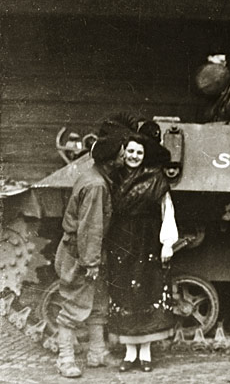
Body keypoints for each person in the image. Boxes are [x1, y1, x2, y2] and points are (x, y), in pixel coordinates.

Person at [106, 130, 178, 373]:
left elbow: (167, 209)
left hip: (147, 240)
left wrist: (167, 242)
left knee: (146, 289)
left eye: (139, 152)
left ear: (145, 156)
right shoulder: (114, 176)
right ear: (124, 153)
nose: (134, 156)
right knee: (124, 291)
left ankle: (145, 352)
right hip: (121, 239)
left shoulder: (155, 178)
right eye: (131, 152)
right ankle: (129, 353)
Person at [54, 135, 125, 378]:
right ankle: (65, 359)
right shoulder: (96, 185)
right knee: (74, 307)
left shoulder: (96, 177)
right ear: (109, 160)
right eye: (121, 154)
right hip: (82, 254)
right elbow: (91, 228)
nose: (125, 157)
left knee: (97, 303)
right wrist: (91, 263)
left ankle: (97, 352)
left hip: (89, 252)